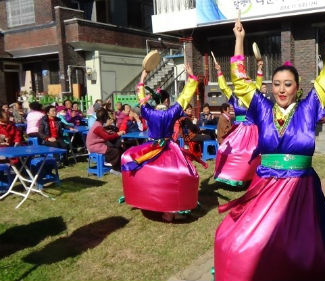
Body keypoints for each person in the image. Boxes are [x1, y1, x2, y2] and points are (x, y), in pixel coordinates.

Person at [214, 13, 325, 281]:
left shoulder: (309, 107)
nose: (281, 89)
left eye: (287, 84)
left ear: (297, 87)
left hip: (301, 189)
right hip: (266, 185)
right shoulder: (262, 108)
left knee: (307, 251)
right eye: (276, 84)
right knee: (241, 243)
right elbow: (240, 81)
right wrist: (239, 40)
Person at [121, 64, 206, 222]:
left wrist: (143, 76)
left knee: (148, 173)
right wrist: (191, 77)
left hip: (151, 147)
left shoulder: (148, 111)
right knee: (175, 176)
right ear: (166, 100)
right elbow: (185, 97)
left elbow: (140, 97)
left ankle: (152, 203)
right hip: (168, 148)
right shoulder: (171, 111)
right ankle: (169, 211)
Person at [212, 61, 260, 186]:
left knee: (252, 152)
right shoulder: (234, 98)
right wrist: (219, 71)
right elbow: (223, 88)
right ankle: (231, 177)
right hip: (238, 129)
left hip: (252, 130)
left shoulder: (252, 96)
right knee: (225, 150)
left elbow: (258, 87)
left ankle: (251, 176)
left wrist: (259, 71)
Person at [86, 108, 124, 174]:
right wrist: (118, 134)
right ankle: (115, 169)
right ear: (104, 117)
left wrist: (107, 132)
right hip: (94, 146)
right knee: (116, 151)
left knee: (116, 148)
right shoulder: (98, 127)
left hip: (97, 145)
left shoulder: (97, 124)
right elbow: (107, 137)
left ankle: (114, 165)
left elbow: (102, 134)